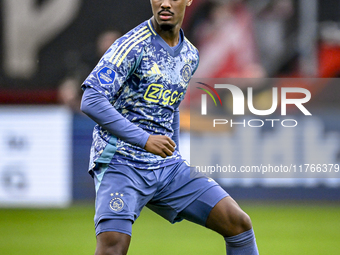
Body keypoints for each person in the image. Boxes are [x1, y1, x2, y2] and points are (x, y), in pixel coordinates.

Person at [80, 0, 259, 254]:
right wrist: (145, 139)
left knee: (238, 223)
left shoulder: (190, 54)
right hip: (121, 164)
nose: (165, 3)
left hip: (166, 166)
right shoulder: (131, 46)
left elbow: (172, 104)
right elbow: (91, 99)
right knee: (113, 246)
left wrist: (173, 150)